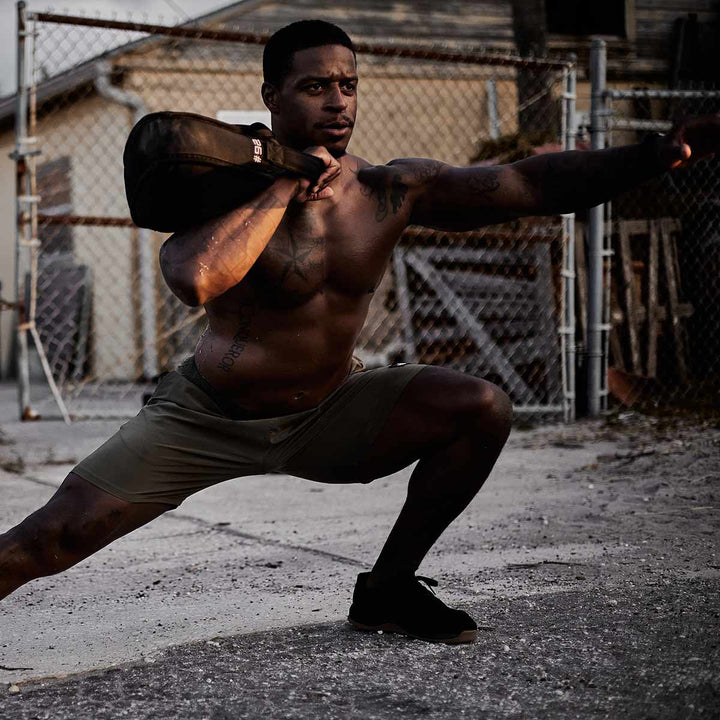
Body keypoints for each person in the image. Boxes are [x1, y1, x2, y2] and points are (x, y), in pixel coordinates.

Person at [1, 20, 718, 644]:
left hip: (329, 411)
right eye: (315, 87)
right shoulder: (224, 181)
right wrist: (284, 184)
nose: (337, 101)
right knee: (47, 540)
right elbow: (196, 277)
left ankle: (387, 590)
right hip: (207, 418)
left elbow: (529, 184)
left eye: (348, 85)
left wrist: (653, 153)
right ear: (272, 97)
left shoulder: (387, 191)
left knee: (481, 409)